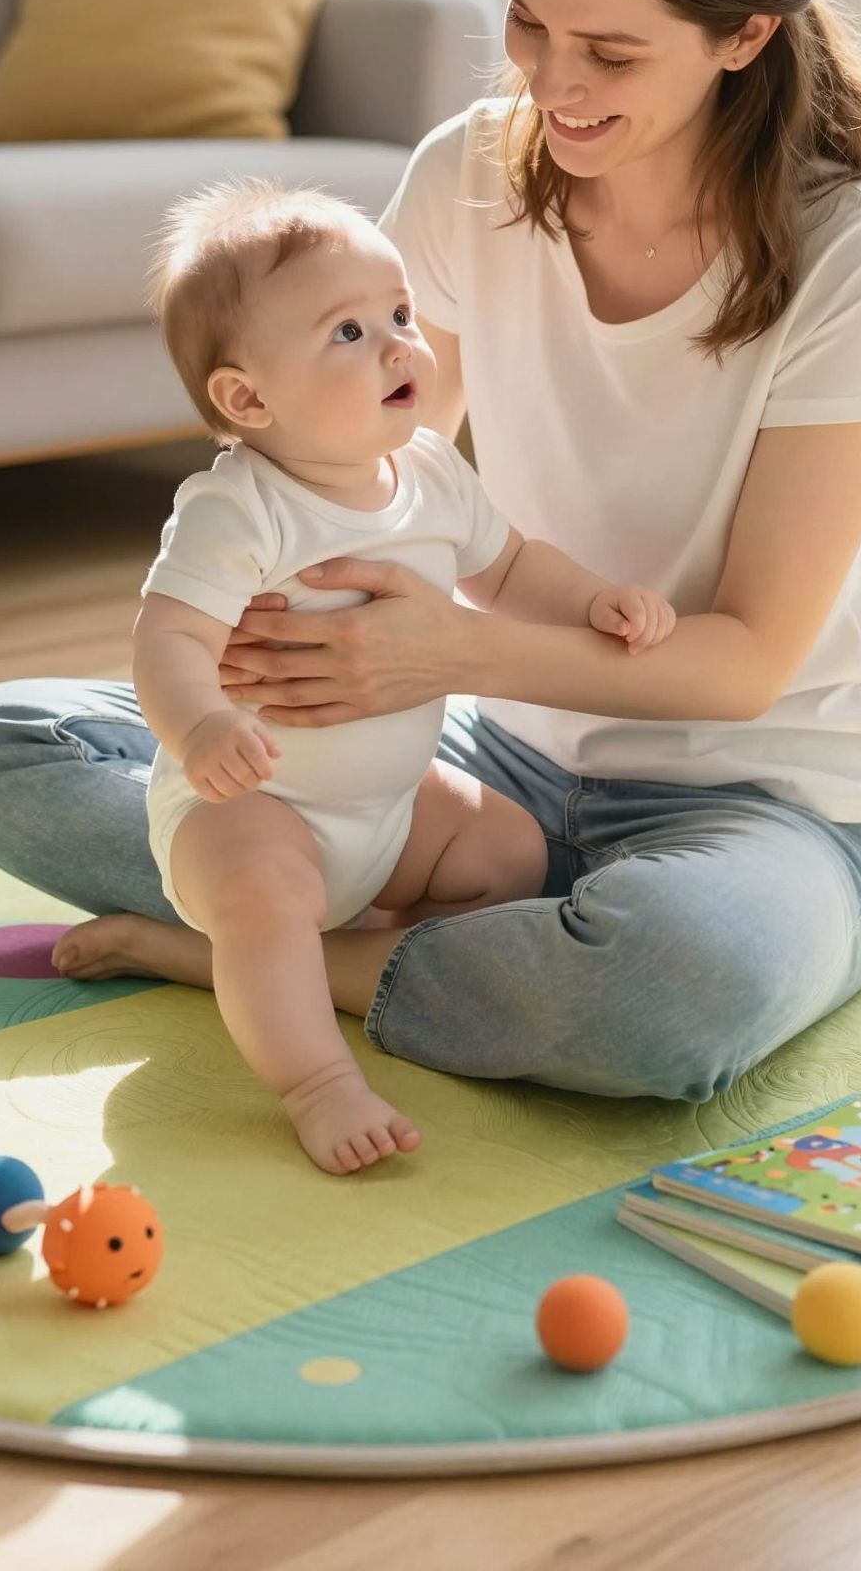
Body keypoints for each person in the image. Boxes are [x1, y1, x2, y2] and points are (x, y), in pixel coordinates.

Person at [0, 0, 861, 1105]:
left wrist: (449, 647)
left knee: (664, 991)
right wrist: (260, 634)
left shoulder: (852, 248)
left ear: (745, 32)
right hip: (471, 761)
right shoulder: (473, 171)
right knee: (4, 743)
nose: (553, 82)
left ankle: (263, 953)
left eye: (611, 52)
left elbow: (749, 662)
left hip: (760, 801)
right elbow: (377, 462)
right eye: (528, 22)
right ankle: (363, 933)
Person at [133, 178, 674, 1171]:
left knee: (508, 849)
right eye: (348, 332)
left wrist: (593, 601)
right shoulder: (239, 508)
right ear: (248, 398)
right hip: (258, 805)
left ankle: (312, 962)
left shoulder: (429, 469)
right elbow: (166, 636)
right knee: (259, 892)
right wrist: (201, 727)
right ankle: (315, 1077)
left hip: (388, 808)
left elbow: (510, 567)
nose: (398, 346)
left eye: (399, 314)